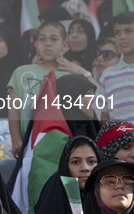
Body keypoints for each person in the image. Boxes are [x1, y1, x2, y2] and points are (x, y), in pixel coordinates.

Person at [7, 21, 72, 157]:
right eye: (42, 39)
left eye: (54, 39)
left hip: (63, 144)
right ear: (35, 43)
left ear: (64, 45)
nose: (47, 44)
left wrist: (81, 71)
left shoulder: (70, 75)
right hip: (29, 144)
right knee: (32, 176)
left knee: (66, 178)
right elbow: (13, 108)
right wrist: (16, 140)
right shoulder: (22, 72)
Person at [35, 136, 102, 212]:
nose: (85, 168)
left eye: (91, 162)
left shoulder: (111, 194)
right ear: (65, 166)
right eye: (76, 162)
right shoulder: (52, 195)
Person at [98, 12, 134, 124]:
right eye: (117, 32)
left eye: (128, 31)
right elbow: (104, 117)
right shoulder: (107, 75)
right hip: (120, 140)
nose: (122, 37)